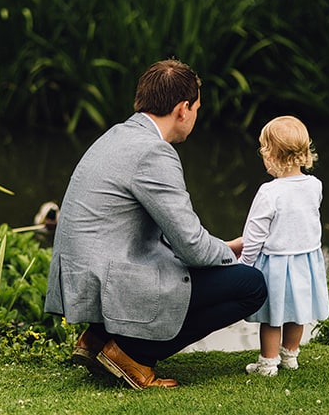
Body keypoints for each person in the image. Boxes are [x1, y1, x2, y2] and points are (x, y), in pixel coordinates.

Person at [45, 58, 267, 389]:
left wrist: (220, 247)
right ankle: (132, 354)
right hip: (111, 279)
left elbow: (177, 237)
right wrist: (229, 252)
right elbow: (191, 247)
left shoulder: (116, 135)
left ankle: (98, 338)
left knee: (192, 265)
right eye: (196, 108)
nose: (194, 116)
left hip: (85, 276)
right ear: (182, 109)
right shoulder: (154, 152)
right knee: (250, 285)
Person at [239, 115, 329, 376]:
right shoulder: (315, 185)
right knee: (296, 313)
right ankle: (290, 356)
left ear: (273, 156)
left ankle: (268, 363)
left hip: (276, 264)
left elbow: (254, 234)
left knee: (271, 317)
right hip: (305, 260)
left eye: (263, 150)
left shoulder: (270, 192)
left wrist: (244, 265)